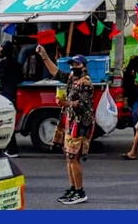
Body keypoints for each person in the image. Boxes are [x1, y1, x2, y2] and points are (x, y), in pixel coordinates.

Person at [34, 48, 94, 205]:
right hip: (71, 121)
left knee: (74, 157)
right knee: (68, 157)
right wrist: (45, 56)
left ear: (84, 66)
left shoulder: (85, 83)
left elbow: (82, 105)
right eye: (72, 64)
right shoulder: (71, 79)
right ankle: (73, 188)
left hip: (80, 123)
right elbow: (55, 72)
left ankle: (80, 191)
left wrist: (65, 103)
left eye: (76, 64)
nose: (73, 66)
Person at [0, 41, 24, 158]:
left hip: (3, 95)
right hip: (13, 95)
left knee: (3, 122)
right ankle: (11, 148)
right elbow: (20, 78)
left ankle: (11, 149)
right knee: (9, 122)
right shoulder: (16, 64)